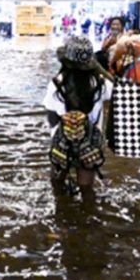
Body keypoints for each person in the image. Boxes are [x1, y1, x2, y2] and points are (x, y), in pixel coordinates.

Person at [43, 36, 113, 200]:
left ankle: (61, 215)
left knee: (57, 185)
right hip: (90, 144)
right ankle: (88, 219)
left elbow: (52, 117)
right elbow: (118, 91)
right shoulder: (101, 83)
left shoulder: (56, 84)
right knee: (86, 189)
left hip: (61, 143)